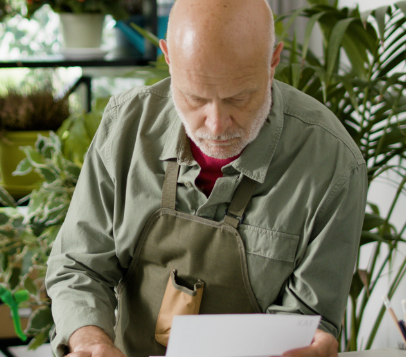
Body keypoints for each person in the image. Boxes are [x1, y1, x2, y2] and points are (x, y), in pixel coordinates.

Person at [43, 0, 366, 356]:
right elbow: (78, 265)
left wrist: (314, 345)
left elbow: (308, 320)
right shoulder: (126, 126)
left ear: (273, 62)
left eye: (239, 98)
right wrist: (91, 340)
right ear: (168, 57)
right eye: (195, 98)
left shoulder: (332, 162)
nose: (216, 125)